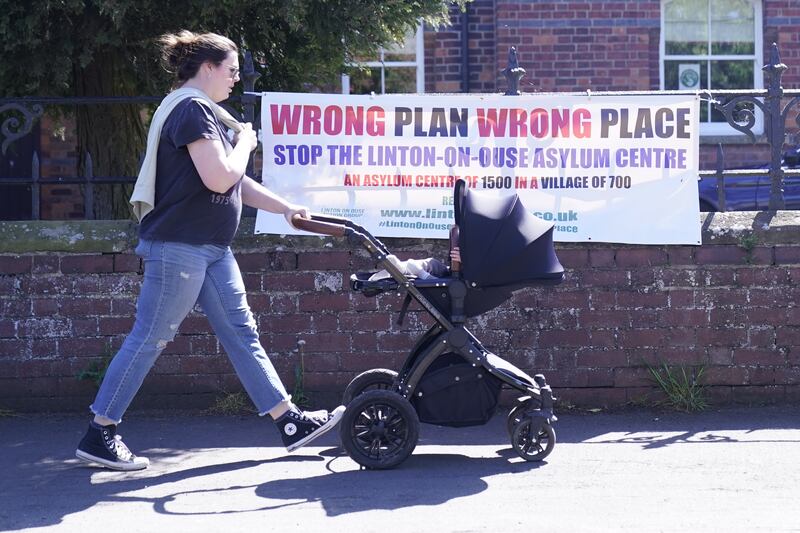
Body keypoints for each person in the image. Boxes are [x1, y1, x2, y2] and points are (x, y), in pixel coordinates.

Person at [75, 30, 344, 472]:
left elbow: (234, 181)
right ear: (209, 68)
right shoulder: (192, 109)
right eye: (233, 70)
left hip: (212, 248)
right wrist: (245, 143)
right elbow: (220, 178)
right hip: (180, 247)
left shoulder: (202, 112)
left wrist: (287, 208)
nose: (236, 79)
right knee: (150, 337)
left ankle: (288, 420)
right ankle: (99, 432)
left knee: (242, 333)